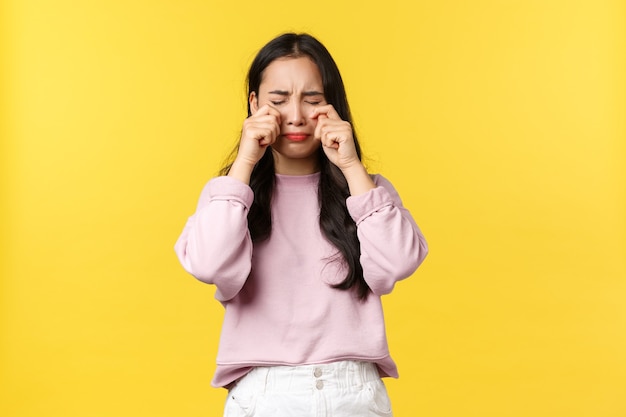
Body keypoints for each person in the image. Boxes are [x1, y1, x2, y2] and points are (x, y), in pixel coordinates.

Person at [175, 32, 428, 417]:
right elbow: (208, 265)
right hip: (264, 393)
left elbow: (397, 263)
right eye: (278, 101)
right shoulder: (228, 196)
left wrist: (350, 166)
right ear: (254, 104)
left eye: (312, 100)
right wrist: (243, 163)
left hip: (353, 391)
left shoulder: (366, 191)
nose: (295, 115)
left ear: (332, 105)